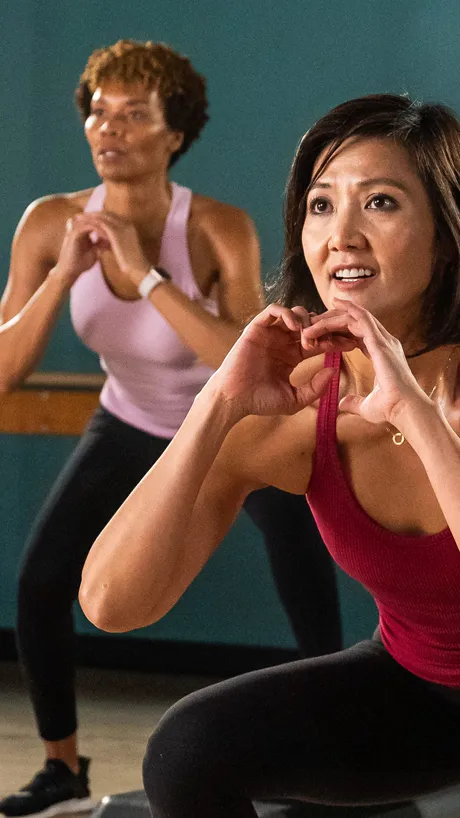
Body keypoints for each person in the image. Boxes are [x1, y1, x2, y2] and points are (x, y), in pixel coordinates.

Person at [79, 93, 460, 814]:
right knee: (188, 750)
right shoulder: (301, 405)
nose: (341, 235)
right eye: (321, 206)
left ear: (445, 236)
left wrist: (413, 406)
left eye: (379, 202)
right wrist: (216, 404)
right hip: (421, 695)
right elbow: (111, 603)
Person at [0, 39, 341, 818]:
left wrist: (146, 274)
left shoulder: (217, 227)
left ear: (174, 132)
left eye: (133, 114)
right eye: (97, 111)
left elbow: (252, 359)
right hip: (127, 418)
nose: (106, 127)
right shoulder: (50, 222)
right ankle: (62, 766)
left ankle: (336, 765)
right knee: (42, 580)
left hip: (232, 431)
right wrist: (63, 274)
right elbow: (3, 369)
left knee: (304, 570)